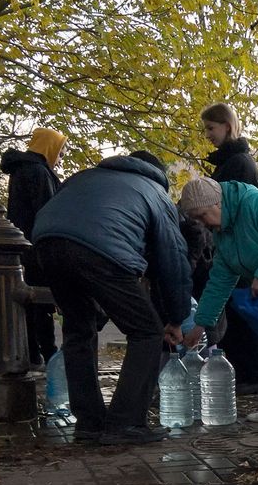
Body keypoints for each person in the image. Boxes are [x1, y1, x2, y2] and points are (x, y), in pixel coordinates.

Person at [32, 151, 191, 445]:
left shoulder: (86, 177)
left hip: (45, 242)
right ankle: (126, 423)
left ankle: (89, 424)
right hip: (102, 247)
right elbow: (173, 259)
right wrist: (176, 317)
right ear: (159, 175)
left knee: (79, 330)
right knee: (147, 332)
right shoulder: (156, 192)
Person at [199, 102, 258, 394]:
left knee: (242, 314)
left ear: (227, 126)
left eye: (211, 128)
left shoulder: (238, 165)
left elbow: (241, 211)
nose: (208, 135)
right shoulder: (231, 163)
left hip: (242, 253)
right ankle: (248, 374)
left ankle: (253, 376)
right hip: (236, 252)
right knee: (235, 311)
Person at [178, 177, 258, 351]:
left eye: (202, 215)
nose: (202, 224)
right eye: (196, 219)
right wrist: (199, 326)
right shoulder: (223, 235)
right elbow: (219, 283)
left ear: (218, 203)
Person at [0, 127, 67, 369]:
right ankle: (47, 353)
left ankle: (32, 353)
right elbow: (48, 211)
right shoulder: (39, 172)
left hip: (23, 246)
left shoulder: (20, 169)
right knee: (42, 302)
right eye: (59, 153)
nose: (59, 160)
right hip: (37, 247)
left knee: (30, 305)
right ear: (49, 148)